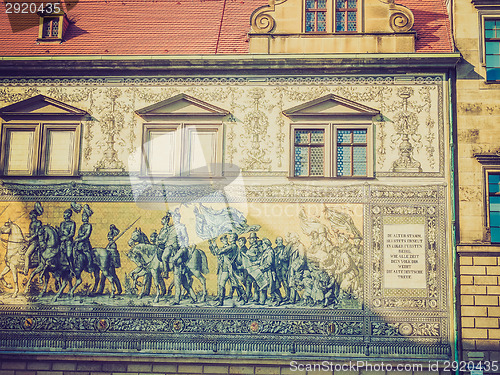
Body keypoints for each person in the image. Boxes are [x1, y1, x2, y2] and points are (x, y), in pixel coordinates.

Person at [209, 233, 247, 306]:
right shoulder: (231, 246)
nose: (229, 238)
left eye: (231, 237)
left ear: (234, 239)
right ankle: (220, 301)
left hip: (230, 268)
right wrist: (212, 245)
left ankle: (244, 297)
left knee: (235, 284)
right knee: (222, 283)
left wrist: (214, 245)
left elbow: (219, 252)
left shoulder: (232, 246)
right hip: (226, 268)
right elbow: (217, 253)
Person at [23, 202, 43, 275]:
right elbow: (32, 233)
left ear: (34, 215)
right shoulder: (31, 223)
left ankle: (25, 270)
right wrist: (27, 235)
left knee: (27, 254)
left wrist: (29, 238)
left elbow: (37, 233)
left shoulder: (38, 223)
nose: (30, 216)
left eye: (31, 214)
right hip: (31, 241)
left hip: (35, 242)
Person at [73, 204, 94, 273]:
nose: (84, 218)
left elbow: (87, 235)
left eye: (85, 217)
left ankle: (90, 266)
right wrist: (77, 237)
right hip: (79, 242)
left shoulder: (89, 226)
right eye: (83, 216)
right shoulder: (82, 226)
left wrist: (79, 238)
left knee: (87, 253)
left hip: (85, 243)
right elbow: (79, 233)